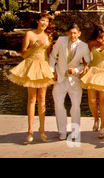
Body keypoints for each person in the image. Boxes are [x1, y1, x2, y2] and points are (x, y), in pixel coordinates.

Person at [7, 12, 55, 142]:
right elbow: (23, 54)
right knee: (32, 99)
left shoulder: (48, 36)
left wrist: (52, 70)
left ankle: (42, 130)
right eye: (43, 20)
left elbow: (49, 55)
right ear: (38, 21)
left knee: (42, 99)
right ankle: (30, 131)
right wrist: (35, 45)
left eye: (47, 21)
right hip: (31, 65)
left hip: (43, 67)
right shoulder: (30, 34)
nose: (45, 23)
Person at [49, 23, 91, 141]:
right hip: (60, 78)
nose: (73, 35)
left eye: (75, 33)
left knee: (76, 106)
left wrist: (76, 70)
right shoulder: (60, 41)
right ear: (68, 33)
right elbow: (52, 56)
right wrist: (52, 71)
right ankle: (62, 132)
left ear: (79, 34)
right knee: (58, 105)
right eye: (71, 33)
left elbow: (87, 63)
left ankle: (75, 132)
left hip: (74, 80)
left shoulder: (84, 46)